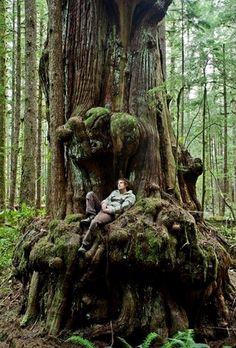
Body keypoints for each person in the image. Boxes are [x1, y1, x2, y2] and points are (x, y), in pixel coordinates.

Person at [78, 178, 136, 254]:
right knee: (90, 194)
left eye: (121, 183)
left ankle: (85, 245)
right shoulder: (115, 192)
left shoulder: (130, 196)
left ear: (126, 185)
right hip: (104, 208)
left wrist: (110, 210)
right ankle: (91, 215)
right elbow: (106, 200)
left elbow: (124, 207)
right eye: (118, 183)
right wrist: (104, 204)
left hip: (111, 213)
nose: (119, 184)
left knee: (94, 222)